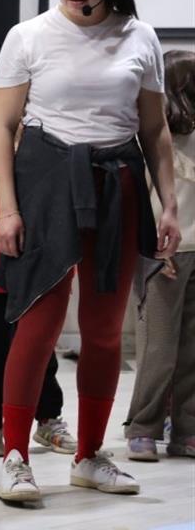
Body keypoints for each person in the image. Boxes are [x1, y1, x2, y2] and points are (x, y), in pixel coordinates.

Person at [0, 0, 179, 502]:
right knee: (39, 325)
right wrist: (8, 209)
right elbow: (1, 126)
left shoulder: (140, 37)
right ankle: (15, 456)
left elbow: (156, 133)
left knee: (101, 332)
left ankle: (90, 455)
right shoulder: (28, 36)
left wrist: (169, 206)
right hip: (46, 178)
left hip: (117, 179)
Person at [0, 99, 71, 458]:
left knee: (42, 358)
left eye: (21, 136)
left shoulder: (37, 187)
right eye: (4, 135)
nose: (12, 144)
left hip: (31, 290)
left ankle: (48, 419)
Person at [125, 49, 195, 461]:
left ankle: (186, 429)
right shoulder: (154, 139)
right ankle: (143, 426)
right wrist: (152, 250)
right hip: (164, 257)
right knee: (158, 349)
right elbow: (144, 203)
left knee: (191, 350)